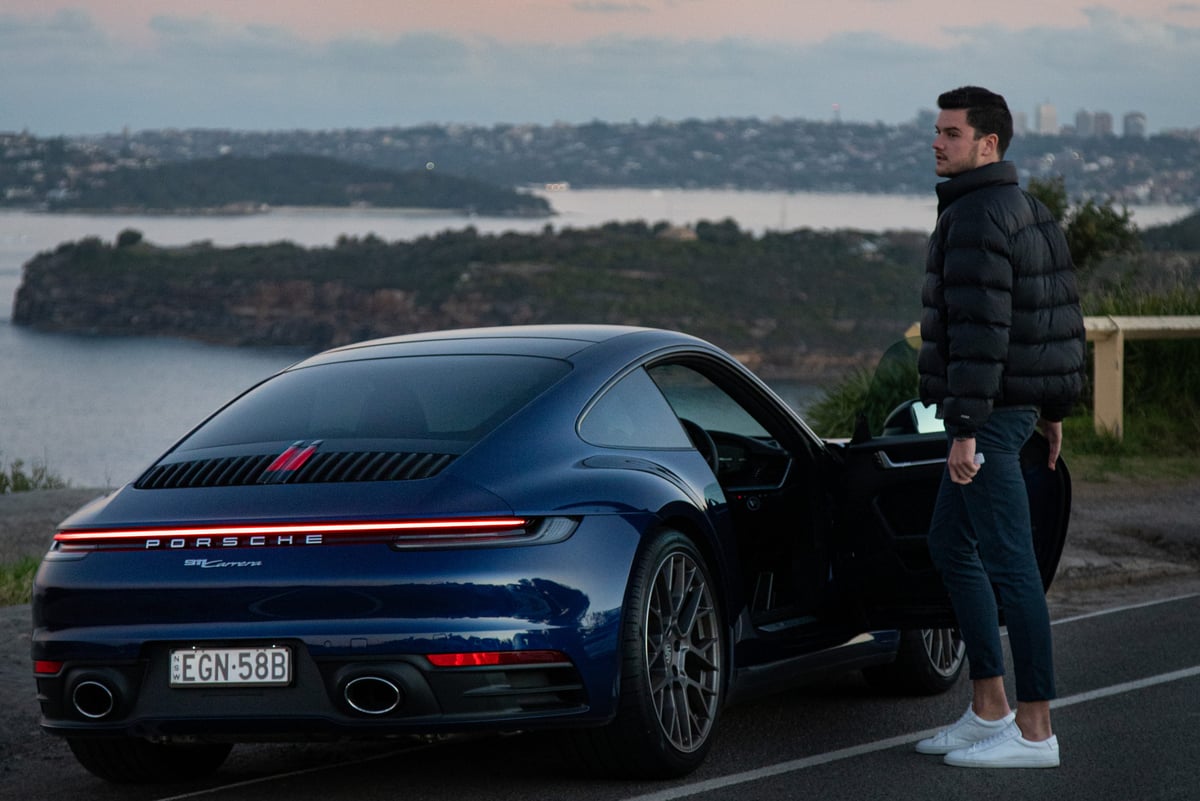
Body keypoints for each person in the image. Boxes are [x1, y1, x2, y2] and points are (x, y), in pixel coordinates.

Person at [913, 86, 1086, 769]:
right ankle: (990, 705)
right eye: (937, 130)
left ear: (987, 144)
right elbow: (1054, 319)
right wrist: (1054, 411)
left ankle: (1037, 731)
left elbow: (982, 336)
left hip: (985, 415)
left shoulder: (979, 216)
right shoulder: (1029, 210)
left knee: (1010, 561)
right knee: (948, 541)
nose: (937, 142)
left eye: (950, 134)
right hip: (1012, 410)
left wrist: (964, 429)